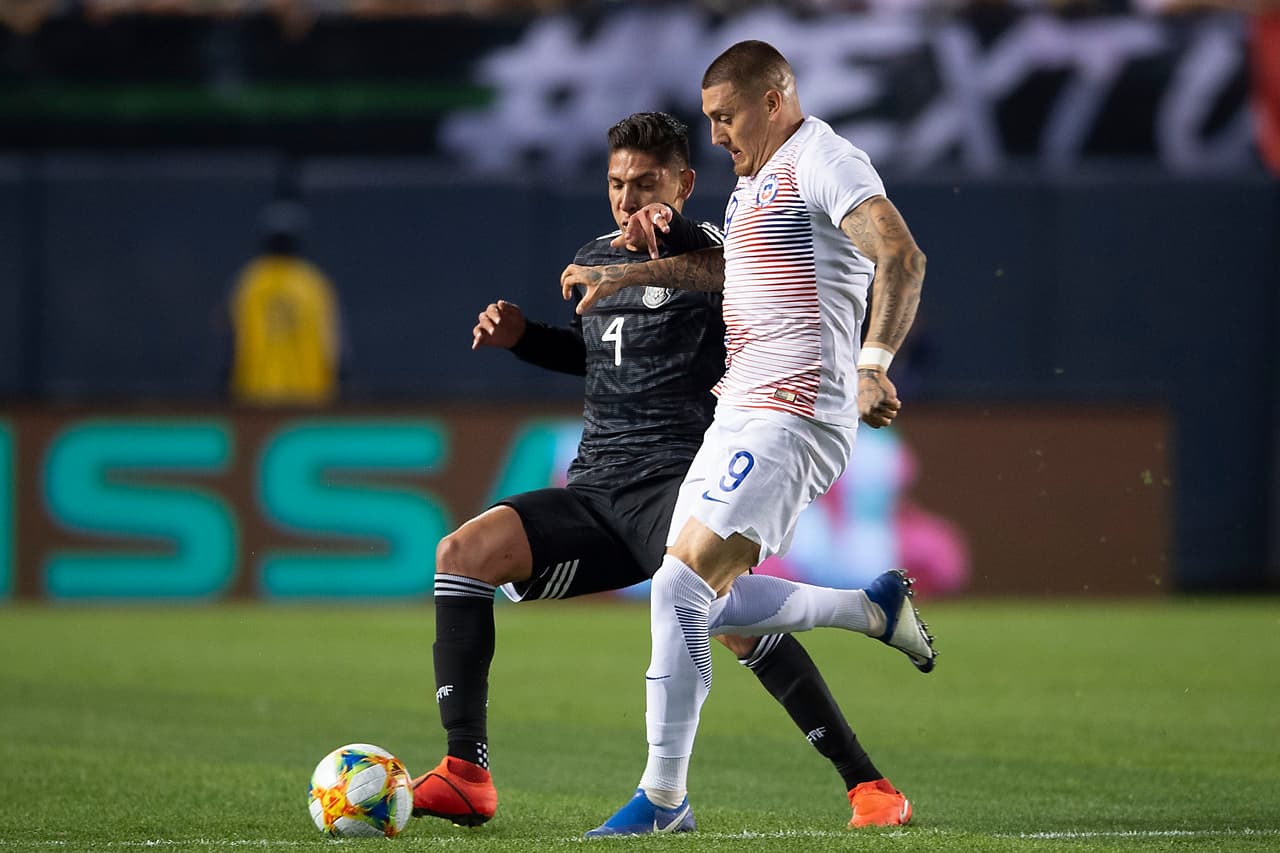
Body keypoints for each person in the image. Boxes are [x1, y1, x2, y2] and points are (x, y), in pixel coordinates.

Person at [413, 111, 911, 832]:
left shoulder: (720, 249)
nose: (625, 196)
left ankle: (867, 782)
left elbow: (729, 271)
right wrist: (526, 340)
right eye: (616, 181)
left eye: (644, 182)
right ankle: (465, 772)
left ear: (684, 183)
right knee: (462, 554)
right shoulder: (598, 254)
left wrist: (665, 237)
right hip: (593, 490)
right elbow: (604, 359)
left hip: (680, 482)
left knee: (730, 622)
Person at [560, 42, 935, 836]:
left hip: (795, 409)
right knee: (704, 594)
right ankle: (869, 608)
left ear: (774, 99)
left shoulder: (822, 158)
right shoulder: (755, 182)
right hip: (739, 407)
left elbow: (900, 252)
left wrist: (873, 364)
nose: (717, 134)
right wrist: (622, 278)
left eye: (725, 117)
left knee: (680, 589)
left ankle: (664, 799)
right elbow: (732, 274)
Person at [227, 199, 342, 406]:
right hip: (309, 397)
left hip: (255, 397)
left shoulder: (250, 282)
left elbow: (230, 345)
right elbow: (335, 349)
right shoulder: (312, 283)